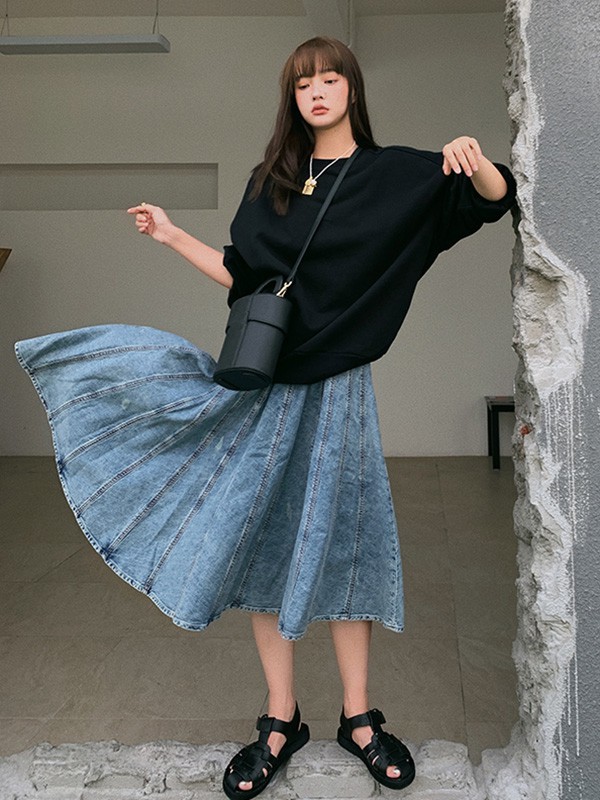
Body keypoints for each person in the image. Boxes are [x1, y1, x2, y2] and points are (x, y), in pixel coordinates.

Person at [15, 36, 515, 800]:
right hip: (267, 387)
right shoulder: (270, 182)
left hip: (340, 389)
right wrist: (171, 235)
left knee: (348, 541)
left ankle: (359, 718)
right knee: (262, 542)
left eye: (330, 78)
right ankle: (282, 718)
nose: (317, 91)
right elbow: (243, 278)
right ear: (293, 97)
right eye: (303, 82)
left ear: (352, 89)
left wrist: (471, 157)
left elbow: (492, 200)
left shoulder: (394, 175)